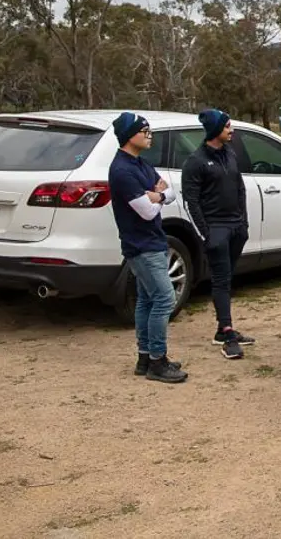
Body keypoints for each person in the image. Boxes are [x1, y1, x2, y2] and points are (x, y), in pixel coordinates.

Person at [107, 112, 188, 384]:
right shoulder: (122, 170)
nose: (149, 136)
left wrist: (157, 195)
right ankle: (157, 360)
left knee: (146, 300)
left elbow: (170, 192)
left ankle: (144, 358)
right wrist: (158, 197)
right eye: (145, 131)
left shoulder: (141, 164)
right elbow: (146, 211)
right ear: (129, 135)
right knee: (165, 298)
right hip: (141, 245)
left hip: (154, 240)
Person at [182, 108, 254, 360]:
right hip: (216, 229)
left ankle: (222, 329)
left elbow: (240, 188)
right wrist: (207, 233)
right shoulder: (196, 161)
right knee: (221, 280)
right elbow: (191, 202)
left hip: (236, 228)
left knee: (227, 278)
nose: (231, 130)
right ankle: (227, 334)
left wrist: (243, 224)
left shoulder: (230, 154)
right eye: (226, 127)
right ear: (215, 130)